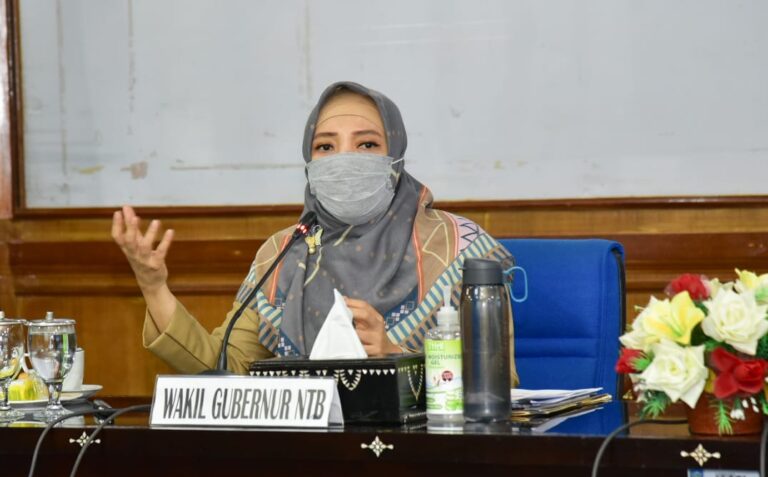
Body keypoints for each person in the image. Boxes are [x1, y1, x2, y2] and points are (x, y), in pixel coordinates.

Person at [112, 81, 518, 384]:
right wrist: (153, 287)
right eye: (325, 147)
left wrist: (397, 355)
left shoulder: (458, 248)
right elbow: (226, 367)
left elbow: (500, 383)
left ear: (395, 155)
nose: (344, 159)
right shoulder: (284, 251)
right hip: (307, 455)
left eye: (367, 145)